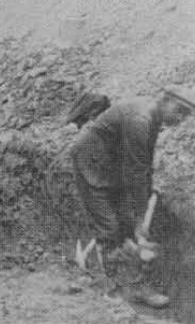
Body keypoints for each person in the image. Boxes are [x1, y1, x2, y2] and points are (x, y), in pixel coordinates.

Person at [68, 87, 194, 308]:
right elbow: (136, 171)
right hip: (90, 164)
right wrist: (140, 217)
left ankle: (136, 285)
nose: (181, 119)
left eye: (186, 116)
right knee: (109, 228)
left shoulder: (151, 117)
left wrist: (144, 199)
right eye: (180, 112)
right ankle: (112, 288)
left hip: (110, 166)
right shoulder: (140, 119)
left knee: (126, 224)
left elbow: (144, 165)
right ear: (165, 101)